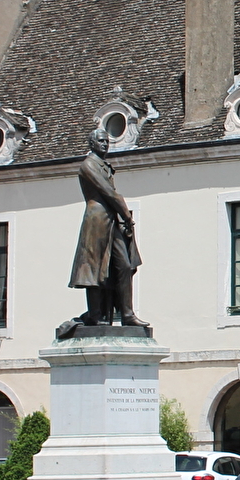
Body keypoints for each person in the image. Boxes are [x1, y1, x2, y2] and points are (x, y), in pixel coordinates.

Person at [67, 128, 149, 329]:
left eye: (107, 141)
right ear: (92, 144)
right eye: (101, 141)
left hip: (111, 221)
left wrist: (123, 218)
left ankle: (127, 314)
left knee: (125, 265)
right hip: (96, 222)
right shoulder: (88, 165)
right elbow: (108, 193)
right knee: (94, 269)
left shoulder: (103, 165)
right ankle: (96, 313)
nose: (105, 144)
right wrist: (127, 215)